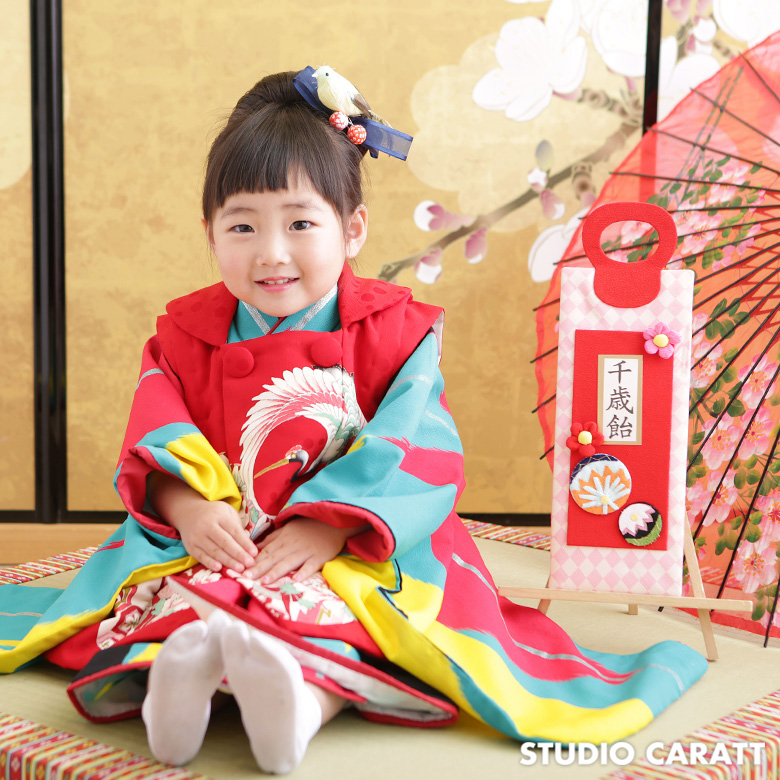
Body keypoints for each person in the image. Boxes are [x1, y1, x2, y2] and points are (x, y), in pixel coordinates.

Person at [0, 66, 708, 776]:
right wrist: (187, 510)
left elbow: (418, 445)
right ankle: (180, 682)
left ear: (353, 228)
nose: (271, 253)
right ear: (209, 232)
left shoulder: (394, 333)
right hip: (223, 530)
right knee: (184, 593)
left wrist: (330, 526)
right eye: (242, 226)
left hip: (361, 536)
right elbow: (156, 436)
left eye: (300, 224)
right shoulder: (186, 334)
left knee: (355, 615)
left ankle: (298, 706)